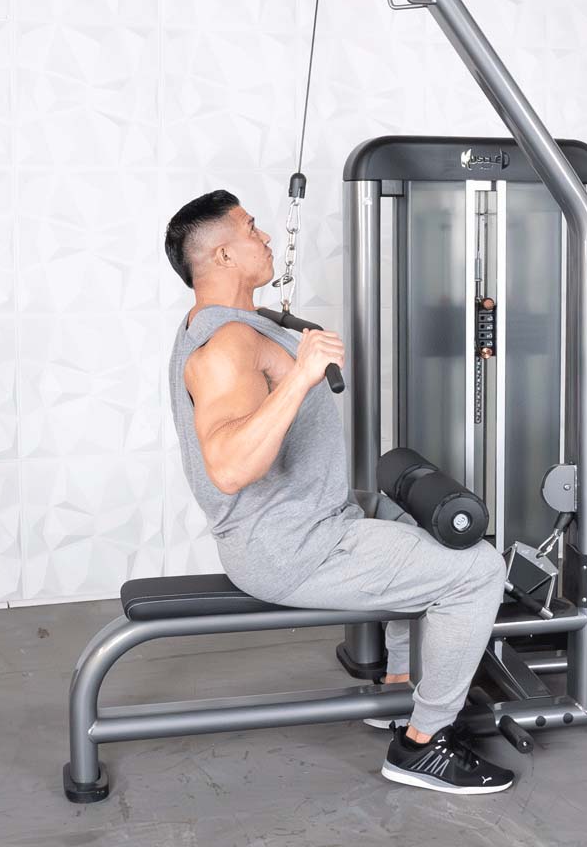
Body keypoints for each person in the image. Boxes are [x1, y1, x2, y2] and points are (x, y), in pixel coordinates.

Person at [163, 189, 513, 795]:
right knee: (478, 571)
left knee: (414, 519)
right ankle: (424, 745)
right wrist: (299, 375)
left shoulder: (238, 326)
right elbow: (227, 467)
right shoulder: (226, 347)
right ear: (221, 255)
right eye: (252, 229)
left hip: (310, 521)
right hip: (291, 546)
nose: (266, 237)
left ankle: (402, 690)